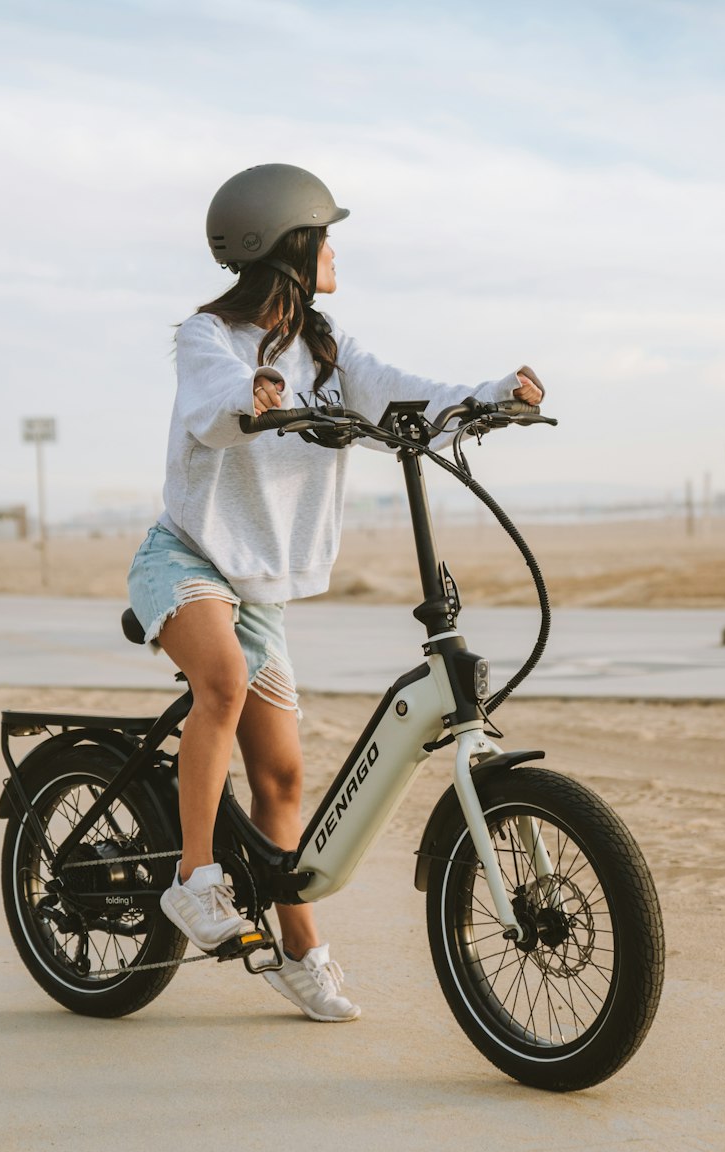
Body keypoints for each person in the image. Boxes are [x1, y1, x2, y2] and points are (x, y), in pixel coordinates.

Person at [128, 163, 543, 1023]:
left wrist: (494, 395)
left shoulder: (328, 346)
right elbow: (210, 401)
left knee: (281, 775)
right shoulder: (208, 339)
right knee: (223, 686)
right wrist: (251, 396)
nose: (335, 250)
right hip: (186, 561)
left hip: (260, 588)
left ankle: (301, 947)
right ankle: (194, 880)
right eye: (326, 235)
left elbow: (403, 387)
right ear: (287, 244)